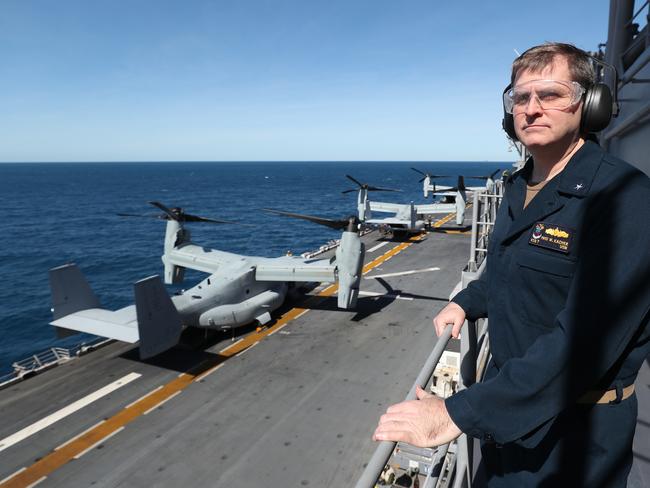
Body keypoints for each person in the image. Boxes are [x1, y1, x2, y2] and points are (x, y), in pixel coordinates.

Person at [373, 42, 650, 486]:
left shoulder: (625, 200)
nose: (532, 109)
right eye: (520, 98)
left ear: (590, 104)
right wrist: (466, 301)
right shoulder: (521, 186)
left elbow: (583, 343)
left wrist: (454, 414)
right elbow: (506, 271)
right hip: (507, 415)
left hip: (575, 439)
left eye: (551, 94)